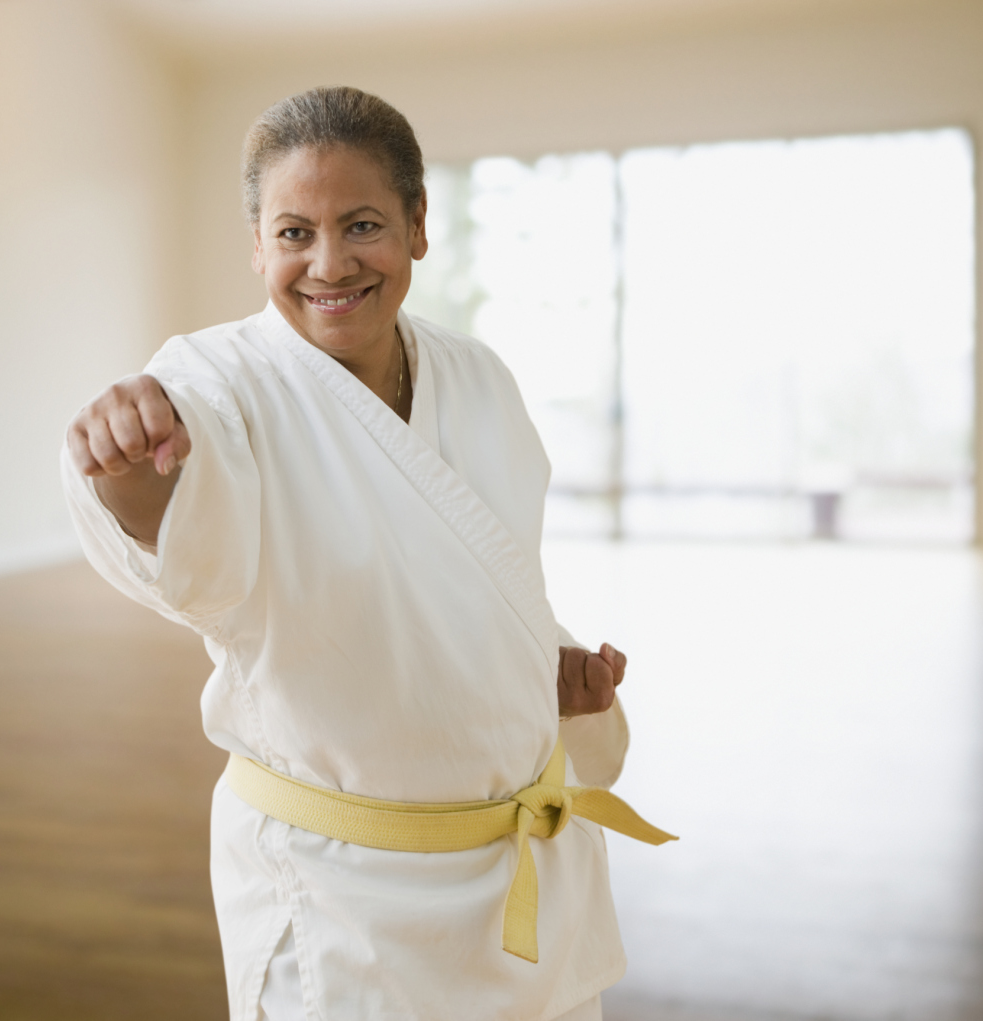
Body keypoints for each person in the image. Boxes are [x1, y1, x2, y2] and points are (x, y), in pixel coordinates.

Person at [61, 86, 672, 1021]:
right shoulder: (214, 379)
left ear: (419, 225)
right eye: (294, 232)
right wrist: (126, 461)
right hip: (342, 896)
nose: (329, 262)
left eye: (362, 225)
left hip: (522, 874)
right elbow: (189, 526)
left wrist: (546, 674)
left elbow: (486, 585)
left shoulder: (478, 377)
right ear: (257, 245)